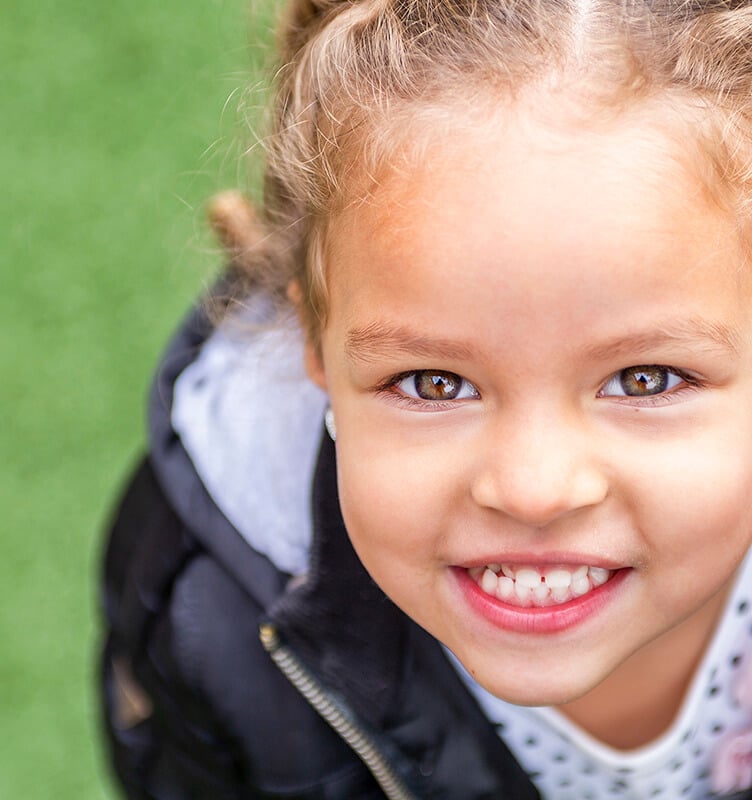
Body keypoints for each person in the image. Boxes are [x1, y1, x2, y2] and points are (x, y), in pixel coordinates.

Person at [97, 0, 752, 797]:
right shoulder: (205, 611)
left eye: (645, 380)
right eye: (433, 384)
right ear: (317, 344)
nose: (534, 489)